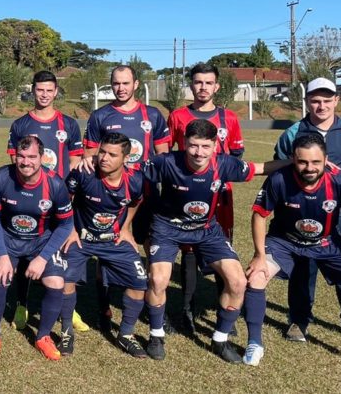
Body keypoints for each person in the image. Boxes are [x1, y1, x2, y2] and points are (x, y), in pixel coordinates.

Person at [141, 119, 286, 363]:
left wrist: (295, 161)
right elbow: (130, 168)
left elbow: (260, 167)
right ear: (184, 143)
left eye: (205, 146)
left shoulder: (224, 164)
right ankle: (156, 335)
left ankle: (220, 339)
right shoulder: (167, 162)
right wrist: (92, 161)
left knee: (238, 281)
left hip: (207, 230)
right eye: (193, 145)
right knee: (158, 279)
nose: (199, 152)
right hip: (168, 228)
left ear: (215, 146)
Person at [245, 133, 341, 374]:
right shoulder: (279, 179)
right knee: (256, 277)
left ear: (326, 159)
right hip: (285, 241)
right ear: (293, 159)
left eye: (316, 162)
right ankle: (254, 344)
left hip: (327, 243)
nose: (309, 168)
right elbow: (259, 216)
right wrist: (260, 255)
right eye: (302, 162)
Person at [274, 77, 341, 342]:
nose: (321, 106)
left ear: (336, 100)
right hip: (302, 213)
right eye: (315, 100)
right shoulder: (292, 133)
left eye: (327, 100)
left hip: (340, 212)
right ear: (306, 102)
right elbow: (280, 168)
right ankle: (299, 321)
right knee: (303, 267)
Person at [82, 64, 170, 331]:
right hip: (110, 199)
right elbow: (89, 157)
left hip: (147, 195)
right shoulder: (100, 116)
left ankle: (154, 307)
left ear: (136, 84)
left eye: (125, 83)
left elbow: (163, 156)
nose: (120, 88)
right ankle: (104, 308)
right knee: (106, 252)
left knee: (153, 251)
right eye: (116, 83)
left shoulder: (152, 115)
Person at [167, 63, 246, 333]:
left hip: (220, 197)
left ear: (217, 86)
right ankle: (186, 312)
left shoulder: (229, 118)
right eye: (198, 82)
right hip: (186, 196)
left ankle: (225, 312)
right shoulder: (177, 116)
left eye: (208, 82)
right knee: (188, 251)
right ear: (191, 85)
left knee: (224, 250)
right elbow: (167, 154)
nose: (203, 87)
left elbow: (236, 157)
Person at [0, 135, 74, 361]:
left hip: (41, 241)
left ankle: (43, 336)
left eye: (32, 157)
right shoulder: (1, 177)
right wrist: (2, 254)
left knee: (56, 283)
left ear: (42, 157)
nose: (25, 162)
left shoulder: (55, 184)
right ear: (14, 156)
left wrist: (42, 258)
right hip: (8, 240)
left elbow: (65, 225)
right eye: (21, 156)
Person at [6, 70, 84, 332]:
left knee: (64, 249)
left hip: (59, 198)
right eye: (40, 89)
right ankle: (21, 303)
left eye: (49, 90)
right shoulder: (20, 124)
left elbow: (74, 161)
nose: (44, 94)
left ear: (56, 91)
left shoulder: (68, 124)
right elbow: (16, 161)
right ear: (33, 90)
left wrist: (65, 191)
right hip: (29, 198)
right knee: (24, 252)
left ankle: (68, 308)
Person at [62, 133, 149, 358]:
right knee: (64, 279)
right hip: (81, 238)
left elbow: (135, 202)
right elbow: (63, 200)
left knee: (139, 282)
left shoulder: (135, 180)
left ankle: (126, 334)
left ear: (126, 158)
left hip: (113, 240)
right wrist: (69, 230)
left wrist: (126, 228)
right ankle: (66, 331)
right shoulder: (84, 173)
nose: (104, 158)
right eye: (102, 152)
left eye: (112, 154)